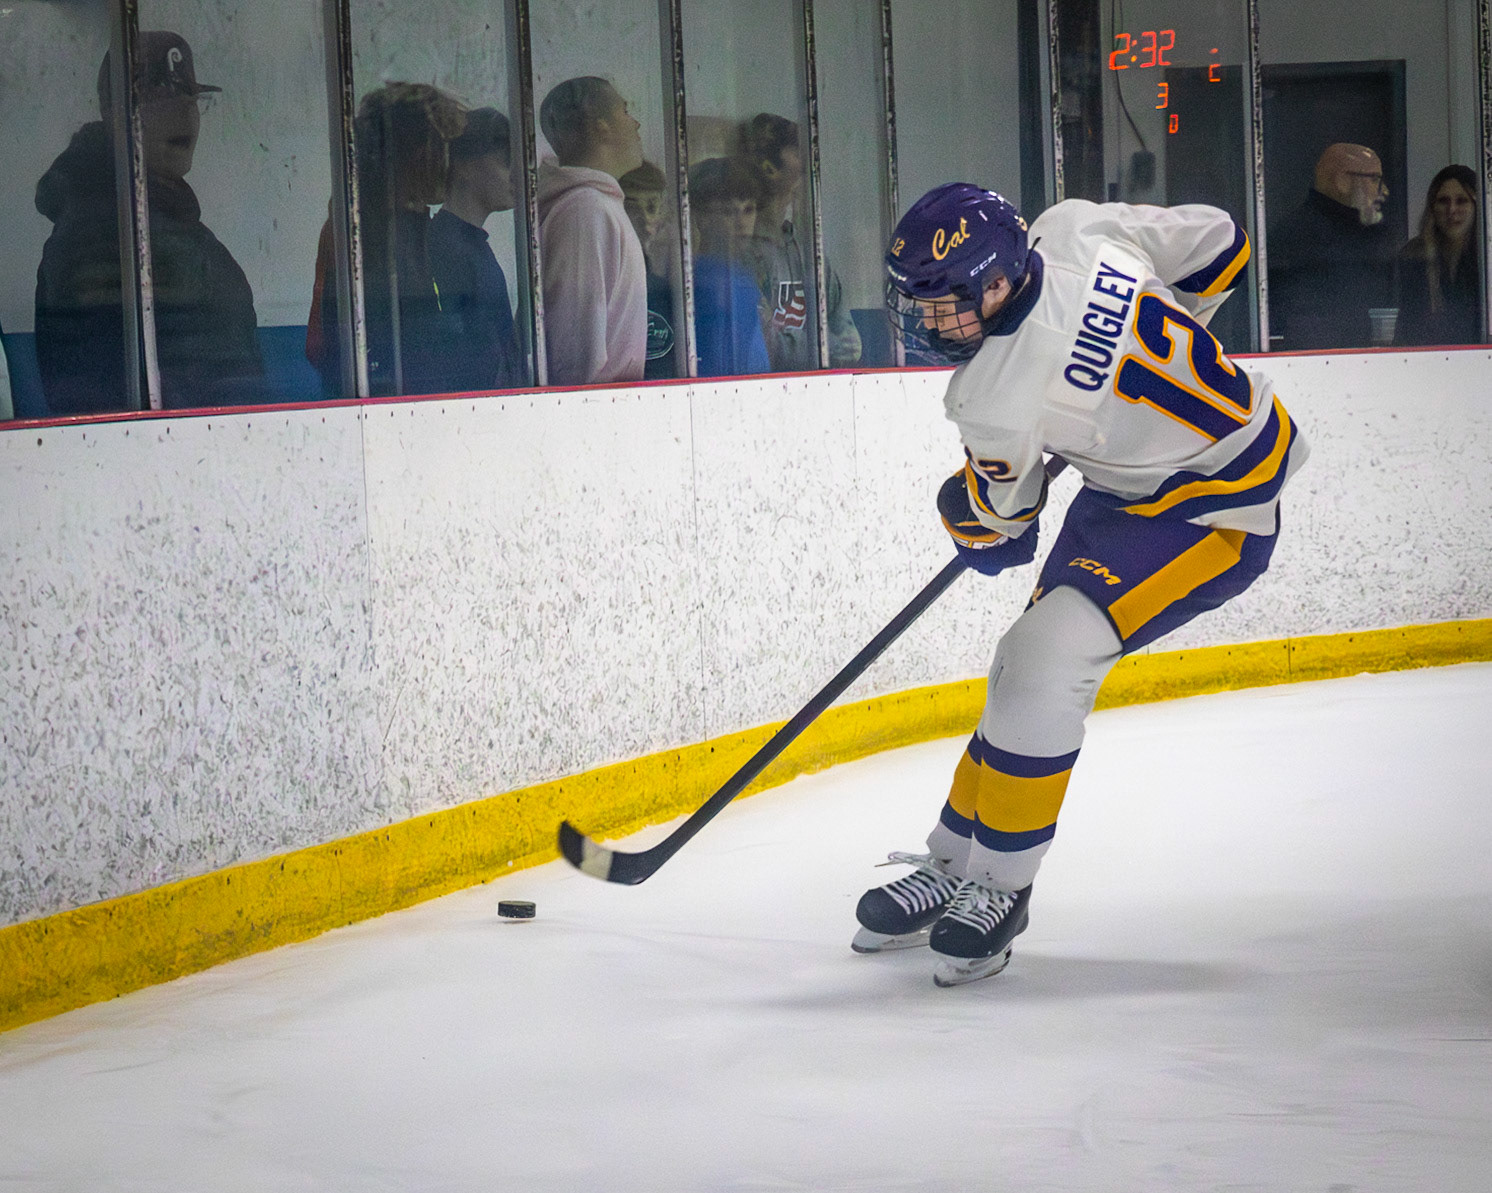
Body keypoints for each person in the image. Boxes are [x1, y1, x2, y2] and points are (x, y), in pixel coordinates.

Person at [859, 184, 1308, 986]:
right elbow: (1222, 243)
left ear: (997, 281)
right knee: (1020, 662)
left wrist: (960, 510)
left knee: (1041, 665)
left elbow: (1002, 533)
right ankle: (955, 859)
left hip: (1216, 511)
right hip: (1143, 489)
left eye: (946, 303)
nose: (931, 323)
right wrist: (1135, 348)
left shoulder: (990, 396)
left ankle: (1001, 887)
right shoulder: (1073, 227)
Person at [34, 30, 263, 414]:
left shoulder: (174, 226)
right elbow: (105, 400)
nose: (182, 113)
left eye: (189, 98)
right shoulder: (103, 238)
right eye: (158, 98)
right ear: (113, 114)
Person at [311, 82, 466, 397]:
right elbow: (323, 345)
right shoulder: (362, 234)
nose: (452, 164)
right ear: (413, 153)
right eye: (444, 148)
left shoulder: (412, 226)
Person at [537, 77, 647, 386]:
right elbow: (573, 356)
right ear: (601, 126)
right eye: (625, 111)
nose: (636, 123)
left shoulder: (595, 206)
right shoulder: (585, 211)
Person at [735, 113, 860, 372]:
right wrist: (821, 346)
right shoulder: (741, 254)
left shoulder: (809, 254)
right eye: (797, 151)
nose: (809, 163)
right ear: (768, 166)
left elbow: (852, 346)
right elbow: (765, 350)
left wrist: (797, 345)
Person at [428, 107, 525, 391]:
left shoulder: (463, 242)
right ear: (465, 165)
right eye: (507, 161)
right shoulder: (450, 247)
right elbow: (472, 357)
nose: (517, 174)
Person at [1267, 142, 1397, 351]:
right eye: (1374, 180)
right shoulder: (1302, 238)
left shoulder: (1358, 234)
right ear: (1343, 181)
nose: (1384, 191)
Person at [688, 157, 769, 377]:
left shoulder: (744, 278)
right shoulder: (701, 282)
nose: (741, 222)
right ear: (700, 218)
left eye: (748, 209)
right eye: (727, 211)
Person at [1394, 164, 1482, 348]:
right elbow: (1404, 329)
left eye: (1462, 201)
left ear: (1477, 206)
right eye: (1443, 200)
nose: (1452, 210)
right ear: (1432, 207)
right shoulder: (1413, 255)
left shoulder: (1486, 258)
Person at [619, 161, 677, 379]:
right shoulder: (612, 277)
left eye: (652, 207)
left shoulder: (665, 278)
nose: (645, 220)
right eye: (631, 209)